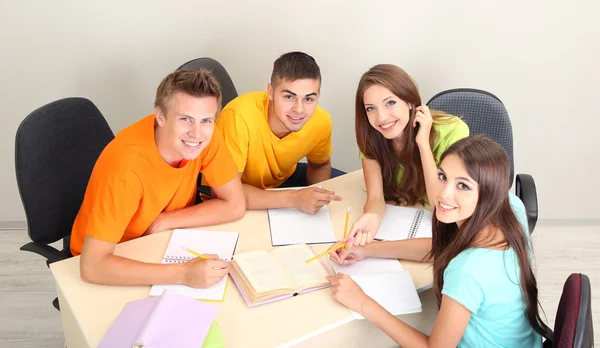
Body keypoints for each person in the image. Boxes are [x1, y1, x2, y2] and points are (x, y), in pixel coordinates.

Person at [328, 135, 551, 347]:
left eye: (463, 186)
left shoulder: (467, 270)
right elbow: (445, 248)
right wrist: (368, 249)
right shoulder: (512, 207)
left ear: (490, 192)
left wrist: (362, 303)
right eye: (443, 177)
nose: (444, 194)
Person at [71, 69, 246, 289]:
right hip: (114, 255)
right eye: (185, 119)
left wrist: (166, 221)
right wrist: (184, 274)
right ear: (160, 116)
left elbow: (236, 205)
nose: (197, 133)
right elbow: (92, 267)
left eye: (206, 121)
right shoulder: (126, 171)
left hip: (161, 238)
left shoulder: (205, 137)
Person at [211, 51, 345, 214]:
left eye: (309, 99)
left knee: (351, 193)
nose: (299, 109)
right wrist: (295, 198)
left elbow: (320, 165)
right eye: (289, 96)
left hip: (282, 180)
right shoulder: (237, 117)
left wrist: (316, 201)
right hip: (235, 192)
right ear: (270, 92)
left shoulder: (320, 121)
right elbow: (224, 193)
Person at [350, 64, 469, 245]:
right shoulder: (372, 137)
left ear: (410, 102)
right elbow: (375, 198)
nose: (381, 117)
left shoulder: (453, 131)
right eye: (370, 108)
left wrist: (422, 144)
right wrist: (372, 217)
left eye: (390, 103)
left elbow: (440, 201)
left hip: (442, 227)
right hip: (405, 215)